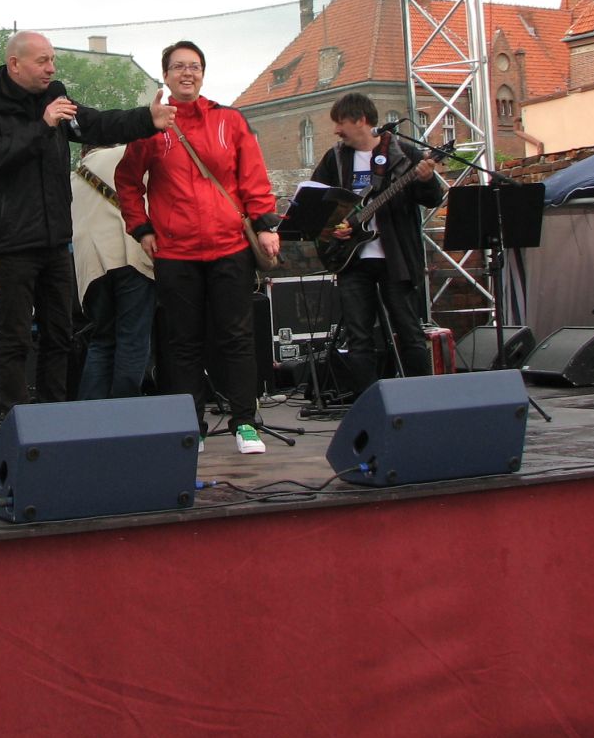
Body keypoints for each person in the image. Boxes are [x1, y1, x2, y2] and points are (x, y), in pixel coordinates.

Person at [0, 30, 174, 414]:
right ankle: (16, 418)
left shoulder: (54, 96)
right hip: (12, 241)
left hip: (56, 239)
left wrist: (147, 118)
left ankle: (55, 414)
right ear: (15, 64)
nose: (51, 68)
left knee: (60, 333)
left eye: (53, 60)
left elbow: (96, 124)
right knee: (15, 336)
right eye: (43, 61)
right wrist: (42, 126)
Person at [116, 40, 280, 454]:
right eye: (178, 66)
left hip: (229, 247)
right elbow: (128, 182)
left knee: (237, 338)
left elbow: (253, 177)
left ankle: (245, 423)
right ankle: (193, 426)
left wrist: (264, 224)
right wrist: (141, 228)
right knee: (182, 344)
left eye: (194, 66)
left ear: (203, 74)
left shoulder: (229, 120)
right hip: (176, 253)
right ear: (166, 75)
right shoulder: (152, 126)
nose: (187, 73)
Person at [309, 91, 443, 392]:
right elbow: (316, 201)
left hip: (396, 258)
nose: (336, 130)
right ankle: (368, 402)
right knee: (359, 337)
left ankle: (423, 398)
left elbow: (432, 198)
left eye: (340, 122)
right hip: (352, 260)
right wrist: (331, 229)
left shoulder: (403, 153)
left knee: (409, 331)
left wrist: (425, 179)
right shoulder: (335, 158)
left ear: (360, 120)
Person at [72, 144, 156, 400]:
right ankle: (125, 410)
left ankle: (91, 414)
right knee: (132, 338)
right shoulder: (124, 154)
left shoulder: (73, 177)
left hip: (92, 268)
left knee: (102, 340)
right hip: (128, 256)